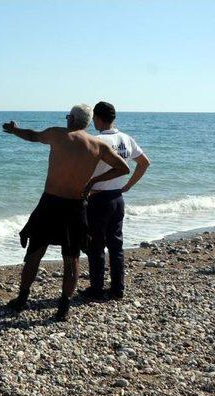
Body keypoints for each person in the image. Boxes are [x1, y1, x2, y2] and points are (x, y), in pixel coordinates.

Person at [2, 104, 130, 321]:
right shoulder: (97, 145)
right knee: (71, 259)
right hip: (76, 206)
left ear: (70, 119)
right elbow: (124, 168)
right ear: (87, 122)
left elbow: (32, 136)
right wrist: (93, 182)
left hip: (50, 204)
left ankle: (22, 299)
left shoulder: (57, 134)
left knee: (35, 253)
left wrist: (15, 129)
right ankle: (63, 308)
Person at [80, 102, 151, 301]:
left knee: (96, 245)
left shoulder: (96, 140)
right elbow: (144, 163)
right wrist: (128, 186)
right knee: (116, 245)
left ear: (98, 118)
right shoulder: (126, 139)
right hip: (117, 198)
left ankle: (96, 289)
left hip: (98, 198)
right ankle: (118, 288)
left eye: (94, 118)